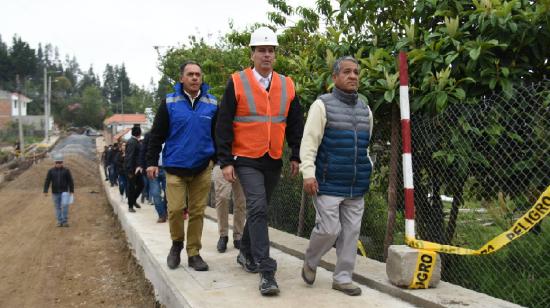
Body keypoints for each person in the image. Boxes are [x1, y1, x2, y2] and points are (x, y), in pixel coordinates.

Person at [216, 27, 304, 296]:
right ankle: (267, 270)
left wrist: (296, 153)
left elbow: (294, 121)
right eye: (261, 50)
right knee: (258, 207)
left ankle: (245, 253)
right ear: (252, 54)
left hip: (273, 158)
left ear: (274, 55)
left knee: (259, 208)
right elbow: (223, 122)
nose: (267, 55)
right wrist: (225, 160)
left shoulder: (287, 84)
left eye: (271, 50)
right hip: (245, 157)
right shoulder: (238, 81)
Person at [299, 56, 373, 296]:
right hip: (327, 182)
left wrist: (367, 168)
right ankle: (311, 260)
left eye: (356, 72)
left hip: (356, 184)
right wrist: (308, 173)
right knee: (329, 230)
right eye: (347, 72)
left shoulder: (365, 109)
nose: (353, 76)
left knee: (351, 234)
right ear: (335, 77)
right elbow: (309, 142)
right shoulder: (322, 105)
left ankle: (342, 278)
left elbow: (366, 146)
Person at [146, 60, 218, 272]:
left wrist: (219, 160)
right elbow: (156, 135)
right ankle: (176, 244)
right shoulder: (169, 103)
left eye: (198, 74)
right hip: (175, 167)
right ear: (181, 78)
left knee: (197, 212)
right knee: (176, 210)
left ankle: (194, 253)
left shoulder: (212, 103)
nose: (195, 78)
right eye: (190, 74)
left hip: (202, 167)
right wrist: (151, 162)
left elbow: (218, 134)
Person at [213, 163, 246, 252]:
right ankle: (223, 235)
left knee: (241, 201)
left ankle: (238, 236)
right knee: (222, 198)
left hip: (242, 162)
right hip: (221, 162)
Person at [140, 132, 167, 223]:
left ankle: (166, 211)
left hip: (167, 168)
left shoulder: (170, 133)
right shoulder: (149, 136)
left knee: (170, 193)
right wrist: (142, 166)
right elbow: (143, 151)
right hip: (153, 169)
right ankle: (161, 215)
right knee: (155, 193)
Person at [43, 153, 75, 227]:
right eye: (57, 162)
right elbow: (47, 181)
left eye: (60, 162)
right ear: (55, 162)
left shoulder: (66, 171)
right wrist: (45, 190)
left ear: (62, 162)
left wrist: (71, 190)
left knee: (65, 207)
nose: (58, 164)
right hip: (55, 192)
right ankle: (59, 221)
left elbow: (70, 181)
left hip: (64, 192)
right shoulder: (51, 171)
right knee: (57, 207)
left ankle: (65, 221)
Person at [125, 126, 143, 213]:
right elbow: (129, 157)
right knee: (131, 188)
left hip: (137, 169)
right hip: (131, 169)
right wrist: (130, 170)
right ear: (139, 133)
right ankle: (130, 206)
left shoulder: (135, 141)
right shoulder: (132, 142)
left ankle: (133, 200)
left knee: (141, 185)